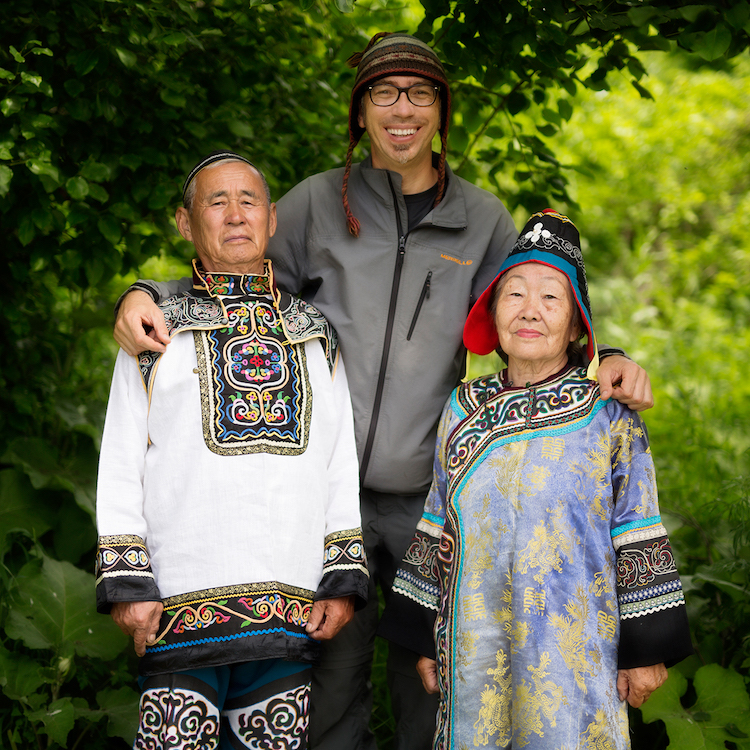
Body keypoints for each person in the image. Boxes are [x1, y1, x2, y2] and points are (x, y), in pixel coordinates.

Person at [111, 35, 654, 750]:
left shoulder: (481, 219)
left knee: (432, 680)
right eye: (383, 93)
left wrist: (605, 354)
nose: (403, 110)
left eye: (420, 93)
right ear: (359, 112)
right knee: (328, 687)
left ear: (442, 111)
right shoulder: (312, 205)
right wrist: (147, 294)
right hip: (319, 503)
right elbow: (231, 266)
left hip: (429, 498)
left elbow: (538, 304)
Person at [380, 209, 692, 749]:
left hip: (577, 658)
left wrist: (647, 651)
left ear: (576, 326)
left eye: (551, 298)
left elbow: (639, 528)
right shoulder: (463, 407)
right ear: (494, 313)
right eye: (514, 294)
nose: (530, 311)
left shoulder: (608, 414)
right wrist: (421, 635)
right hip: (472, 650)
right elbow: (436, 522)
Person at [95, 152, 369, 750]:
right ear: (186, 222)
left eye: (248, 201)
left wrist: (343, 574)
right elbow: (120, 459)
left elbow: (337, 459)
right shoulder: (154, 330)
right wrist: (127, 583)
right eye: (216, 202)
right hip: (176, 606)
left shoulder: (312, 330)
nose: (235, 214)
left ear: (272, 219)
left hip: (289, 601)